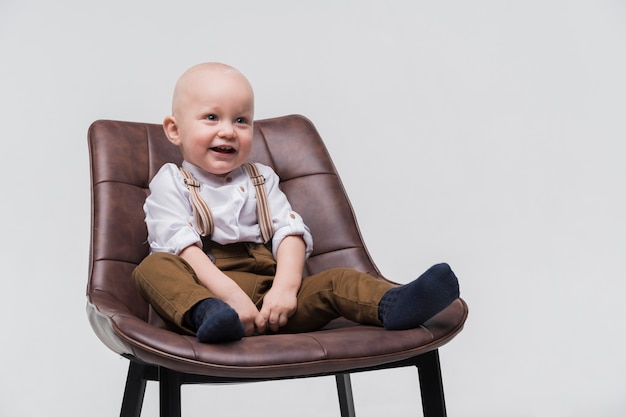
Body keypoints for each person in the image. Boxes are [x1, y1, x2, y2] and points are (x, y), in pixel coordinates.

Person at [132, 62, 460, 343]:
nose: (229, 131)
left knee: (337, 280)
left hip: (273, 298)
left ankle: (393, 303)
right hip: (209, 286)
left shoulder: (261, 177)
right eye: (211, 118)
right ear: (174, 130)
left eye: (241, 120)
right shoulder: (172, 181)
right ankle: (208, 315)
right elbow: (183, 246)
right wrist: (230, 298)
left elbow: (288, 232)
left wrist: (286, 290)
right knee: (154, 268)